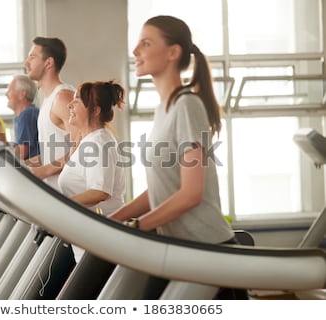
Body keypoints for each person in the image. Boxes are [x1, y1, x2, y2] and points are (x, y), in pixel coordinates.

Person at [108, 15, 244, 299]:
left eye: (146, 43)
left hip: (208, 251)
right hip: (178, 250)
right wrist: (115, 219)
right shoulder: (164, 109)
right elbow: (162, 188)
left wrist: (138, 226)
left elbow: (191, 193)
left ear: (173, 52)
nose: (135, 51)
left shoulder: (187, 105)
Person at [58, 80, 126, 215]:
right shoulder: (90, 140)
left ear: (95, 110)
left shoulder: (98, 143)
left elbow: (99, 192)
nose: (69, 105)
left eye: (77, 100)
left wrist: (59, 206)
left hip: (103, 228)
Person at [23, 36, 77, 190]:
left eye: (32, 57)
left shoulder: (63, 97)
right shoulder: (48, 100)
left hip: (74, 197)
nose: (26, 63)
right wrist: (20, 166)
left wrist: (45, 170)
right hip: (57, 193)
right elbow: (54, 153)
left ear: (49, 62)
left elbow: (84, 148)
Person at [6, 74, 40, 160]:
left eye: (9, 90)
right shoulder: (27, 113)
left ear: (22, 94)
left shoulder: (27, 114)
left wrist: (4, 152)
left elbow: (21, 153)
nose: (6, 94)